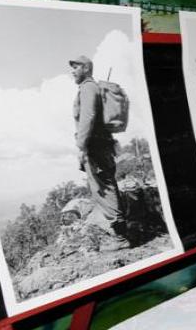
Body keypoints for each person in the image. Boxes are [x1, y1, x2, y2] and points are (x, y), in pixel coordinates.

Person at [70, 55, 128, 250]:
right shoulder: (90, 87)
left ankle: (121, 238)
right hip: (100, 144)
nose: (73, 71)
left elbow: (88, 117)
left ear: (86, 69)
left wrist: (81, 146)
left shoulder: (88, 88)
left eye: (76, 67)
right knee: (106, 185)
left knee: (103, 187)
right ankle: (121, 232)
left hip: (94, 146)